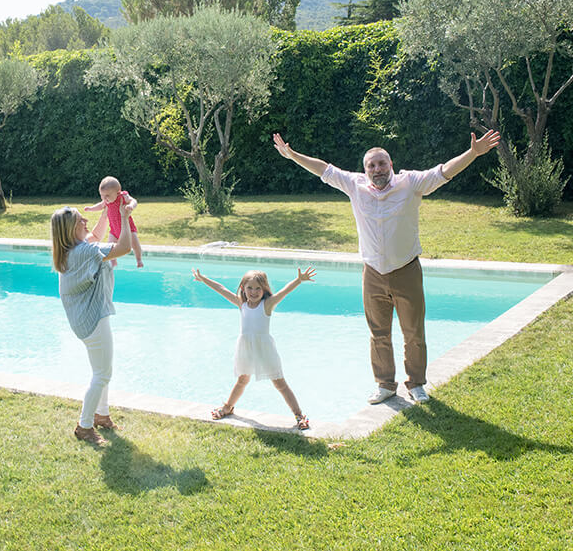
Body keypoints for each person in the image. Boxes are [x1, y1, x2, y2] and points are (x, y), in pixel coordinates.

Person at [271, 130, 501, 405]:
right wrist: (293, 155)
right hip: (373, 273)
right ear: (365, 169)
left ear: (390, 165)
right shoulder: (354, 184)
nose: (377, 169)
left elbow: (443, 172)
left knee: (413, 332)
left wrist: (473, 153)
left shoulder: (411, 183)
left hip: (406, 270)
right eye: (371, 165)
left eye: (382, 164)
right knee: (378, 333)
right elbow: (323, 169)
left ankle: (416, 384)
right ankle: (385, 385)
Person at [192, 266, 316, 430]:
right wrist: (203, 279)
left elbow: (283, 292)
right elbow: (221, 289)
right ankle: (228, 407)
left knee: (280, 383)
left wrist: (299, 280)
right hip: (246, 349)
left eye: (258, 288)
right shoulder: (241, 303)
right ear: (243, 289)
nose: (254, 292)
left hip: (265, 350)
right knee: (242, 380)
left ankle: (299, 415)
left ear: (264, 289)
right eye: (250, 288)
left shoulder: (267, 304)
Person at [51, 201, 134, 445]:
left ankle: (102, 415)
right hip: (92, 320)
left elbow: (96, 235)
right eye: (80, 220)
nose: (86, 222)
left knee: (101, 370)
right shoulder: (84, 252)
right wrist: (124, 216)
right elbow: (124, 248)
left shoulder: (74, 249)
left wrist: (110, 209)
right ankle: (84, 426)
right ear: (70, 229)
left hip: (86, 318)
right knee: (102, 373)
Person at [84, 176, 144, 267]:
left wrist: (131, 206)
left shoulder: (122, 197)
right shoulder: (106, 201)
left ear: (118, 192)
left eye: (107, 196)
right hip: (114, 230)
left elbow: (133, 200)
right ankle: (113, 261)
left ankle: (139, 259)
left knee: (135, 244)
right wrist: (90, 208)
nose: (104, 198)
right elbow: (100, 206)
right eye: (102, 196)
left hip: (128, 228)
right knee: (110, 246)